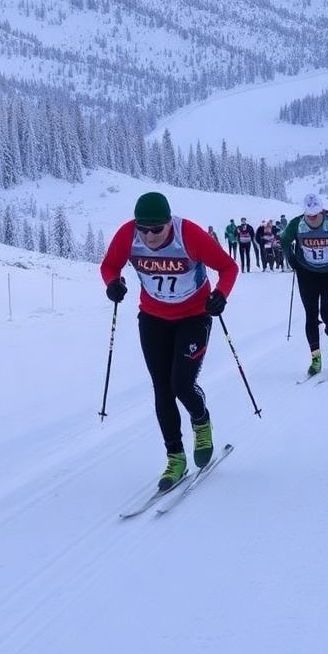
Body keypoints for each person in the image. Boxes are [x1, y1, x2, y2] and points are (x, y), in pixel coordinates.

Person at [101, 191, 238, 491]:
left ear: (168, 223)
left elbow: (228, 267)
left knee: (181, 384)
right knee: (162, 388)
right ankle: (175, 457)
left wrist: (220, 295)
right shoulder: (128, 234)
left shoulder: (189, 235)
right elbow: (109, 265)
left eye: (156, 230)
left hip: (194, 315)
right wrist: (112, 284)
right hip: (153, 317)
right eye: (143, 230)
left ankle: (201, 421)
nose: (149, 237)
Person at [279, 193, 328, 375]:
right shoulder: (296, 224)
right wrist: (290, 257)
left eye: (316, 214)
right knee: (311, 314)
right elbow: (283, 240)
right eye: (309, 215)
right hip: (306, 273)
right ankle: (315, 357)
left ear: (322, 211)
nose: (313, 218)